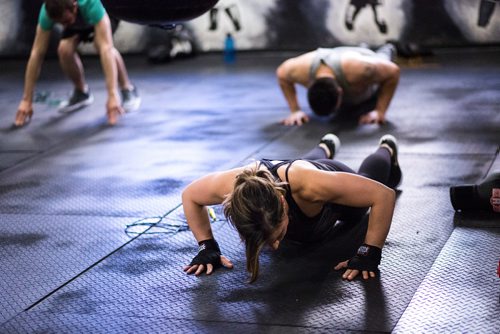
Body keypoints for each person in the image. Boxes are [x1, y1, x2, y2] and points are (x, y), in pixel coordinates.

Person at [182, 133, 402, 282]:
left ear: (283, 203)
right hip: (292, 172)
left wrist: (369, 253)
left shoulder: (313, 185)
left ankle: (386, 149)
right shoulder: (235, 187)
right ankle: (325, 146)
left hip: (323, 185)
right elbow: (190, 195)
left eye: (277, 235)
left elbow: (383, 195)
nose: (276, 246)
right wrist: (207, 246)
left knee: (366, 183)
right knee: (298, 163)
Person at [14, 0, 141, 127]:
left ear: (74, 7)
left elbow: (106, 49)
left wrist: (112, 95)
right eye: (59, 23)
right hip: (78, 21)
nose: (63, 26)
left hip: (102, 14)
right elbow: (37, 53)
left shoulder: (91, 4)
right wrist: (26, 100)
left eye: (65, 21)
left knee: (101, 44)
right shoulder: (47, 11)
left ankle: (127, 89)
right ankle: (82, 93)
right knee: (64, 49)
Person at [276, 44, 400, 126]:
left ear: (340, 92)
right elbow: (281, 74)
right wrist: (295, 111)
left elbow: (393, 72)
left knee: (383, 57)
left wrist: (380, 112)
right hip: (340, 54)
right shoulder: (299, 70)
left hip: (361, 59)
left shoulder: (361, 70)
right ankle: (361, 44)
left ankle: (388, 47)